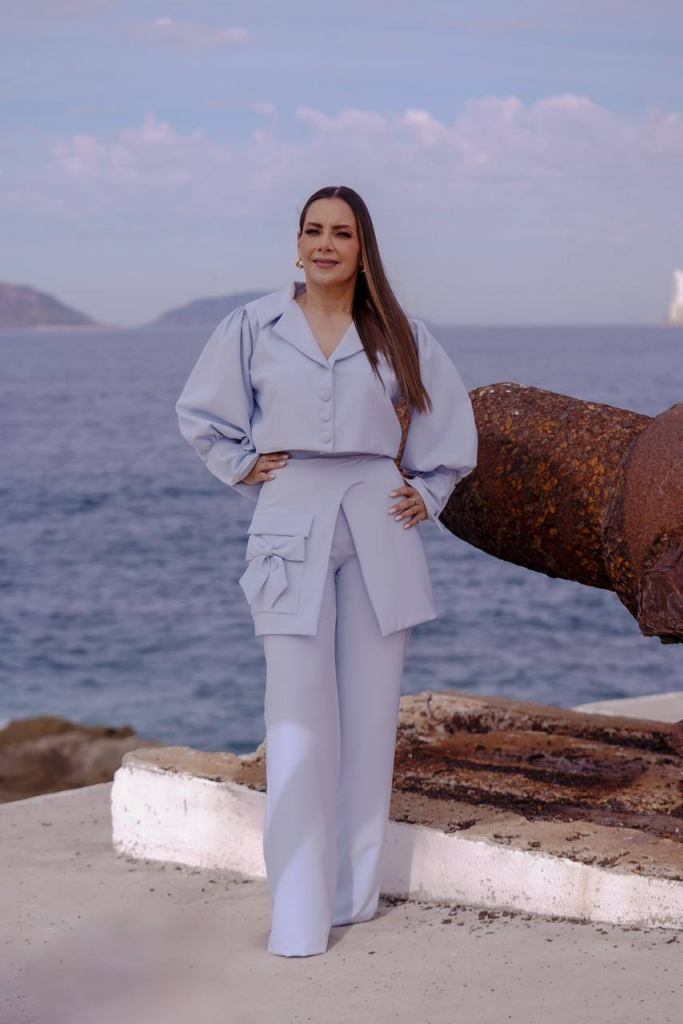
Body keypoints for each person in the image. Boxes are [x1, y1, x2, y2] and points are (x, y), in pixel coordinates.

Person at [175, 184, 478, 957]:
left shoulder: (400, 333)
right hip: (291, 519)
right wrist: (244, 464)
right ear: (297, 242)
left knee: (369, 725)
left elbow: (448, 428)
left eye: (341, 233)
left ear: (361, 247)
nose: (324, 244)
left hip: (380, 521)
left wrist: (427, 492)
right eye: (313, 230)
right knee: (295, 725)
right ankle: (298, 915)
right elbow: (201, 414)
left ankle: (351, 896)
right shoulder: (252, 326)